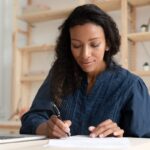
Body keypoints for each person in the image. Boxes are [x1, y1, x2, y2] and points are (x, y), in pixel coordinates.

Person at [20, 4, 150, 138]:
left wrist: (121, 138)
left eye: (94, 44)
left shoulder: (131, 86)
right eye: (76, 45)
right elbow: (32, 118)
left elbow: (144, 141)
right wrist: (45, 128)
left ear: (108, 43)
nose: (85, 54)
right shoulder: (60, 74)